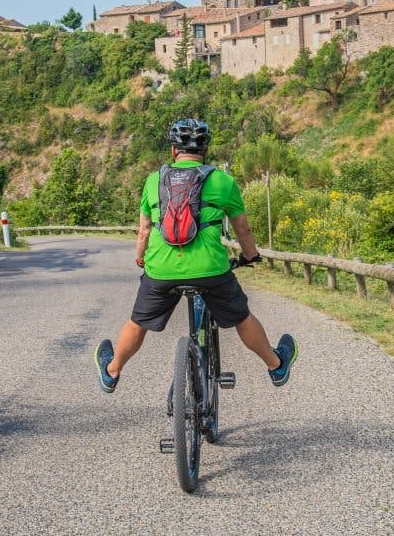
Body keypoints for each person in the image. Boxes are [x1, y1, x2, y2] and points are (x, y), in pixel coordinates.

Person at [94, 118, 297, 393]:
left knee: (138, 321)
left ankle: (112, 371)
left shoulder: (154, 180)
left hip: (161, 271)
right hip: (212, 270)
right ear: (205, 150)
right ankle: (276, 366)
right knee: (241, 316)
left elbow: (143, 232)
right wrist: (250, 256)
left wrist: (142, 258)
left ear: (173, 150)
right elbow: (244, 229)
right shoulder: (222, 181)